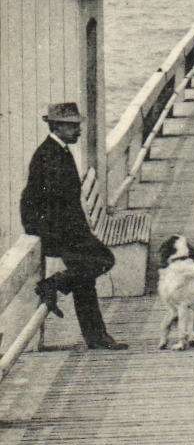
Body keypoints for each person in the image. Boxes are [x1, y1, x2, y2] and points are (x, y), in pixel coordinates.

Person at [20, 103, 127, 350]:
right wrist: (67, 232)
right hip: (59, 230)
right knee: (103, 260)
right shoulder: (49, 154)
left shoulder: (59, 150)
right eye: (73, 126)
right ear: (57, 126)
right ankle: (53, 284)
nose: (78, 130)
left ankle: (96, 337)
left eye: (78, 125)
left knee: (84, 280)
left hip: (66, 227)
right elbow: (50, 201)